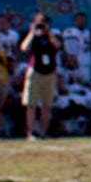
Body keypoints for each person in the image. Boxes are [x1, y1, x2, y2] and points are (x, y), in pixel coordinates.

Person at [17, 12, 61, 140]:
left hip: (50, 72)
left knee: (47, 104)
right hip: (35, 71)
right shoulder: (34, 36)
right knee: (31, 104)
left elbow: (58, 45)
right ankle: (30, 132)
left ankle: (43, 131)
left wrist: (49, 33)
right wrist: (32, 32)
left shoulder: (54, 34)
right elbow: (24, 48)